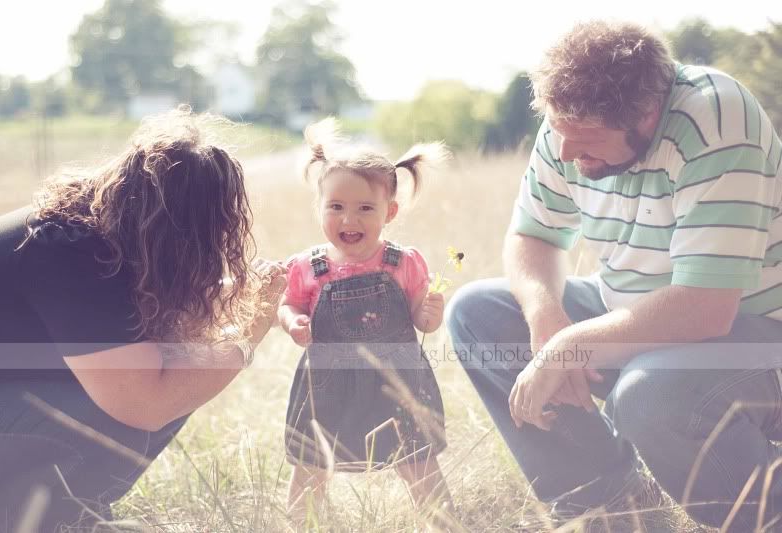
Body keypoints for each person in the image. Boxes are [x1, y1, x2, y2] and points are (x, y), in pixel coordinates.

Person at [446, 20, 782, 530]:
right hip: (641, 323)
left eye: (585, 145)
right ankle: (612, 508)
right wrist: (546, 318)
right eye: (558, 133)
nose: (563, 155)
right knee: (478, 313)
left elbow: (706, 306)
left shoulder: (715, 115)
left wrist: (566, 348)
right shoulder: (570, 121)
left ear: (646, 116)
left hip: (756, 336)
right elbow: (531, 236)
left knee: (651, 393)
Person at [0, 106, 287, 532]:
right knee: (125, 414)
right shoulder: (69, 249)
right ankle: (35, 521)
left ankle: (61, 514)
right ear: (177, 232)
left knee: (170, 376)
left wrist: (225, 295)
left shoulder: (94, 234)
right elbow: (143, 404)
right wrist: (250, 331)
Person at [278, 119, 454, 526]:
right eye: (336, 207)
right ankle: (302, 525)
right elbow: (288, 305)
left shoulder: (403, 262)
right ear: (320, 208)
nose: (348, 220)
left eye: (365, 208)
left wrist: (430, 315)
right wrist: (293, 322)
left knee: (417, 461)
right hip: (326, 384)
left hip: (397, 382)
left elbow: (419, 319)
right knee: (311, 464)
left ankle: (445, 524)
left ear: (389, 212)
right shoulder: (309, 266)